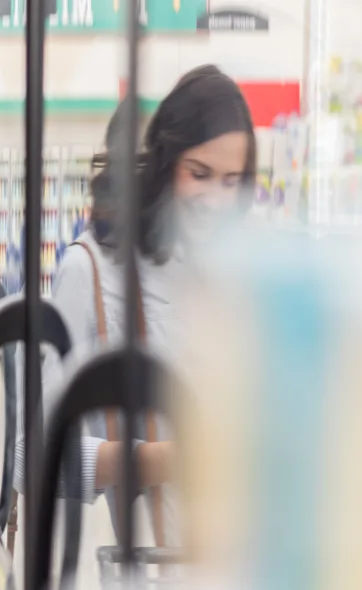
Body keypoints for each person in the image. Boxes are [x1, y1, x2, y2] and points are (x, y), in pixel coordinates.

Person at [14, 64, 256, 546]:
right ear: (165, 166)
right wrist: (165, 459)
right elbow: (32, 457)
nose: (215, 199)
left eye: (232, 181)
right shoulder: (95, 272)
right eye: (199, 173)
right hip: (160, 576)